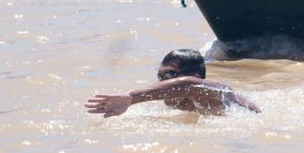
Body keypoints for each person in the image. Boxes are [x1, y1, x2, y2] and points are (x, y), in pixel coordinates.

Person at [85, 49, 260, 117]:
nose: (163, 83)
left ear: (196, 75)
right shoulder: (183, 104)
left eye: (169, 75)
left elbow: (188, 85)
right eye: (160, 76)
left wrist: (131, 98)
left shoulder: (215, 92)